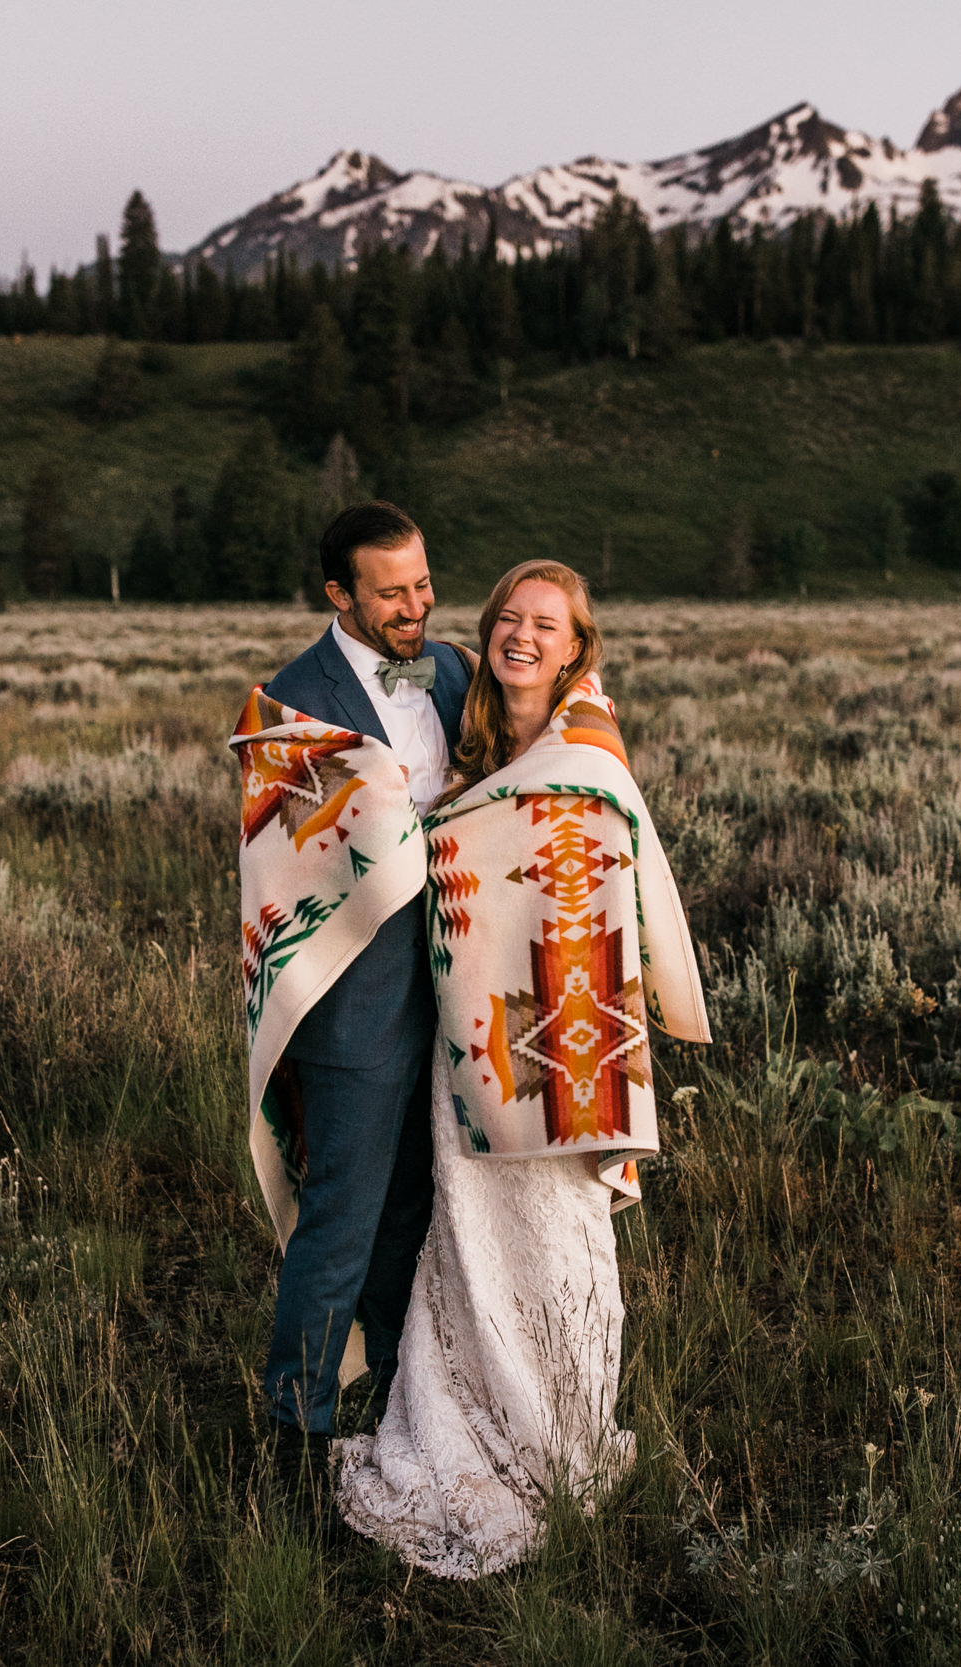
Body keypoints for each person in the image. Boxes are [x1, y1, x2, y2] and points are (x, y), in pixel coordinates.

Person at [335, 559, 711, 1577]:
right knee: (467, 1235)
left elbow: (592, 888)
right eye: (510, 616)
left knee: (558, 1236)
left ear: (577, 644)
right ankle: (467, 1416)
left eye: (547, 624)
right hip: (474, 1045)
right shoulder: (472, 732)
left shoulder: (584, 749)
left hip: (559, 1056)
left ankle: (561, 1439)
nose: (524, 636)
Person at [241, 502, 473, 1499]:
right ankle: (293, 1434)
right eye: (391, 592)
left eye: (422, 584)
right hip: (351, 1000)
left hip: (459, 992)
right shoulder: (291, 701)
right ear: (339, 593)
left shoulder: (450, 668)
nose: (415, 606)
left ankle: (397, 1396)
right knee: (341, 1214)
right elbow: (281, 873)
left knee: (419, 1205)